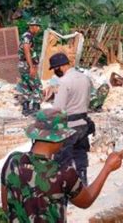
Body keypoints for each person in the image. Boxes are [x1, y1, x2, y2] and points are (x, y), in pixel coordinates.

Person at [1, 108, 123, 222]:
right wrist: (107, 168)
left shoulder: (13, 160)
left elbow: (5, 205)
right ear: (58, 139)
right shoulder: (63, 172)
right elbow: (86, 201)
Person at [49, 53, 94, 185]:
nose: (55, 72)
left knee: (63, 160)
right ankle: (83, 183)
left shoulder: (63, 82)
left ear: (61, 67)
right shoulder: (85, 78)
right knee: (80, 154)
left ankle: (66, 189)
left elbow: (58, 109)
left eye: (55, 69)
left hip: (69, 125)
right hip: (84, 124)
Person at [17, 18, 43, 115]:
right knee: (37, 85)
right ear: (32, 27)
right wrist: (31, 67)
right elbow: (27, 52)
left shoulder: (29, 36)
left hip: (24, 65)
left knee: (26, 86)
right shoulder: (27, 37)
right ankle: (36, 108)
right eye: (38, 26)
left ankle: (26, 108)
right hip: (26, 65)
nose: (39, 29)